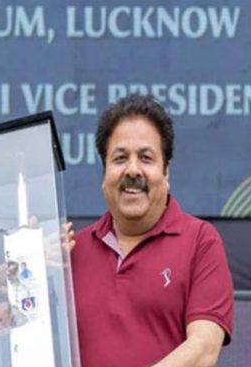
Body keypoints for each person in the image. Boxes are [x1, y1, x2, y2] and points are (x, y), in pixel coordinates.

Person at [71, 94, 233, 367]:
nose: (133, 170)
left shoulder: (200, 242)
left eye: (146, 158)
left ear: (166, 171)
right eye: (120, 158)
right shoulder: (73, 250)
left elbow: (204, 350)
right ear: (104, 172)